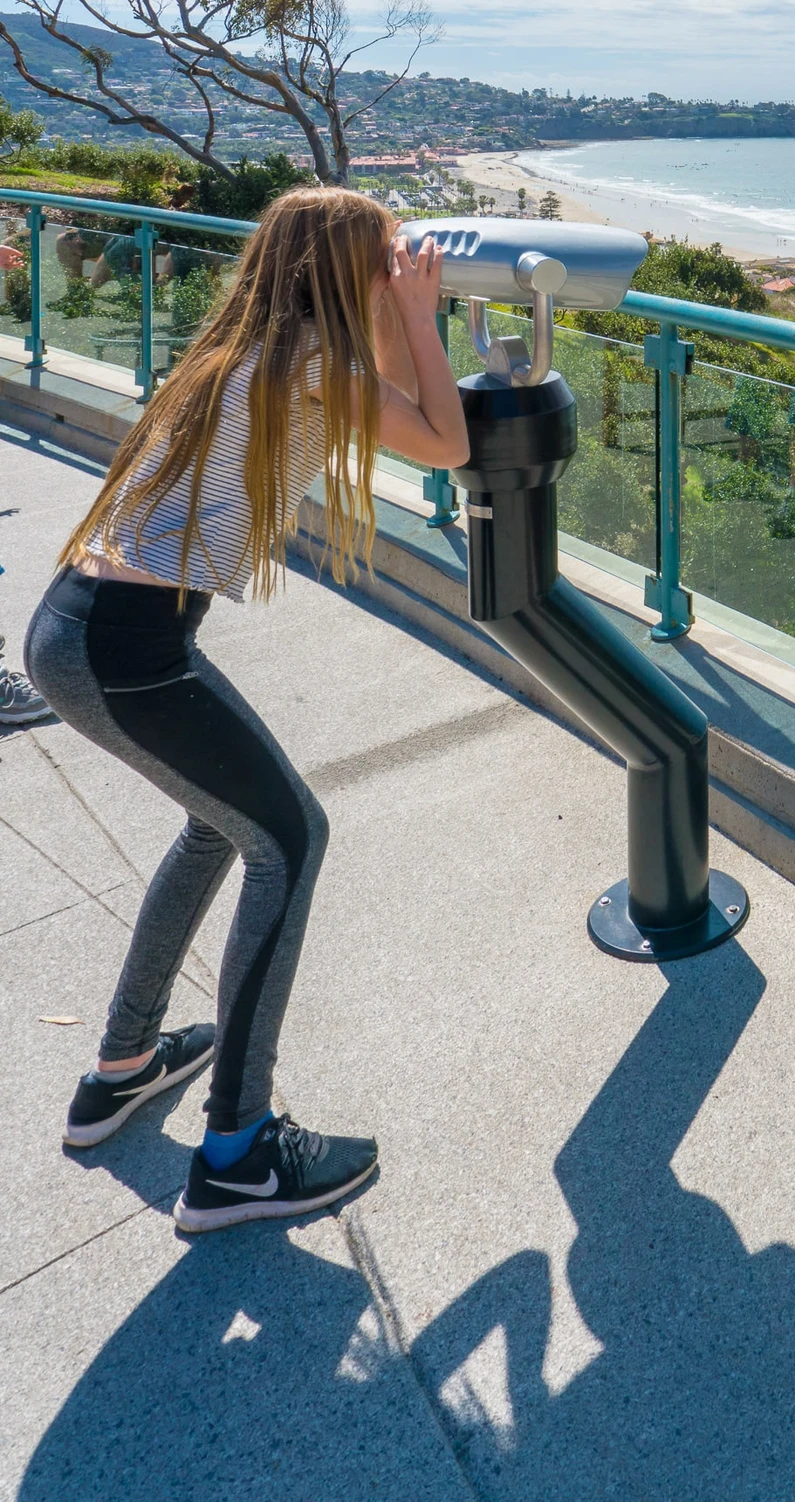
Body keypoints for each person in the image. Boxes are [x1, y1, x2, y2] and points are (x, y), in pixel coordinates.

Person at [24, 187, 467, 1233]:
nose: (393, 265)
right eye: (383, 256)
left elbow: (394, 404)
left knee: (222, 824)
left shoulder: (251, 349)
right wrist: (420, 310)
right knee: (293, 838)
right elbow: (444, 440)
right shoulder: (311, 367)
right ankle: (237, 1152)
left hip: (83, 625)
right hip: (125, 647)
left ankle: (123, 1063)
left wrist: (399, 316)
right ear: (342, 270)